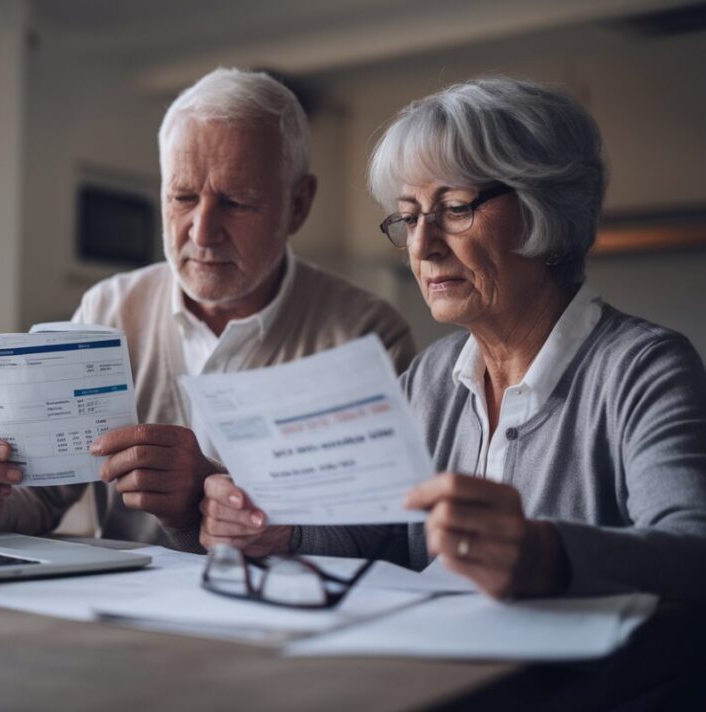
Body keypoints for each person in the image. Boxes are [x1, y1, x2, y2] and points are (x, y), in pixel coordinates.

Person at [199, 77, 706, 598]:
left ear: (546, 209)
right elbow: (381, 538)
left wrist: (544, 555)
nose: (422, 246)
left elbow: (692, 551)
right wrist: (276, 530)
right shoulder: (429, 378)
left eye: (457, 208)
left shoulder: (645, 370)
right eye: (408, 216)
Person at [0, 68, 415, 551]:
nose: (202, 232)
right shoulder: (108, 310)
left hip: (290, 601)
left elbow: (384, 538)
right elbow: (40, 498)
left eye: (236, 202)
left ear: (298, 205)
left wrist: (217, 501)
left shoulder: (364, 335)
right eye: (182, 197)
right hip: (122, 600)